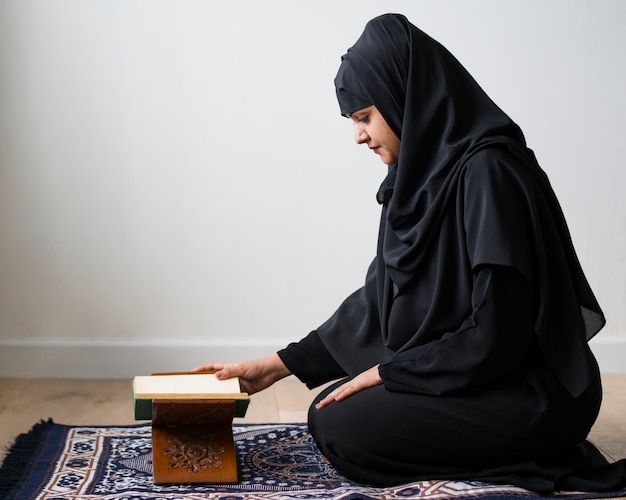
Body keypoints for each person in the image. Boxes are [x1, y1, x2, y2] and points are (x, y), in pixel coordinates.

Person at [194, 13, 626, 494]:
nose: (358, 136)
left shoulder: (490, 173)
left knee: (342, 426)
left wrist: (389, 371)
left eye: (364, 116)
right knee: (330, 409)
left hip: (530, 390)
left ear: (405, 98)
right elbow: (383, 297)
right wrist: (274, 366)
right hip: (480, 374)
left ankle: (539, 452)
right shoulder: (417, 181)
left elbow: (499, 331)